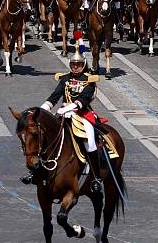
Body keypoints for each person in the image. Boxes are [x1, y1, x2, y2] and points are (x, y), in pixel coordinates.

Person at [22, 51, 106, 185]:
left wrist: (68, 107)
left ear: (83, 65)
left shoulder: (89, 80)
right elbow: (54, 96)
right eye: (73, 65)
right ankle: (35, 172)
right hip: (63, 114)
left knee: (89, 142)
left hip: (82, 114)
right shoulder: (65, 79)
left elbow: (84, 99)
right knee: (44, 136)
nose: (75, 67)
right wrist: (41, 111)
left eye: (78, 65)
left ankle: (96, 177)